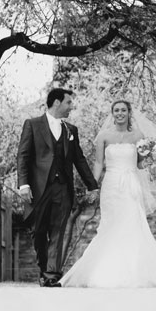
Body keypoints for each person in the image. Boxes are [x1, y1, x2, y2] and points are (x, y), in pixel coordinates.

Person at [60, 100, 156, 288]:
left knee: (132, 225)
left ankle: (134, 273)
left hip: (130, 185)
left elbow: (140, 164)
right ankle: (105, 272)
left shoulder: (138, 135)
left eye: (123, 110)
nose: (120, 113)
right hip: (111, 185)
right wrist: (93, 185)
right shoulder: (103, 136)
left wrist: (149, 157)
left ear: (129, 113)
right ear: (112, 113)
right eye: (116, 110)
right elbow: (97, 163)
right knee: (110, 226)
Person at [17, 88, 99, 287]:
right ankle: (45, 270)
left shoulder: (72, 130)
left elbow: (79, 160)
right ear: (56, 103)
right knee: (38, 232)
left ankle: (52, 274)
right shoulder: (33, 125)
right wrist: (23, 184)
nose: (72, 107)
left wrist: (92, 186)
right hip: (38, 188)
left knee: (57, 231)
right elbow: (23, 156)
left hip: (62, 188)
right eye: (68, 102)